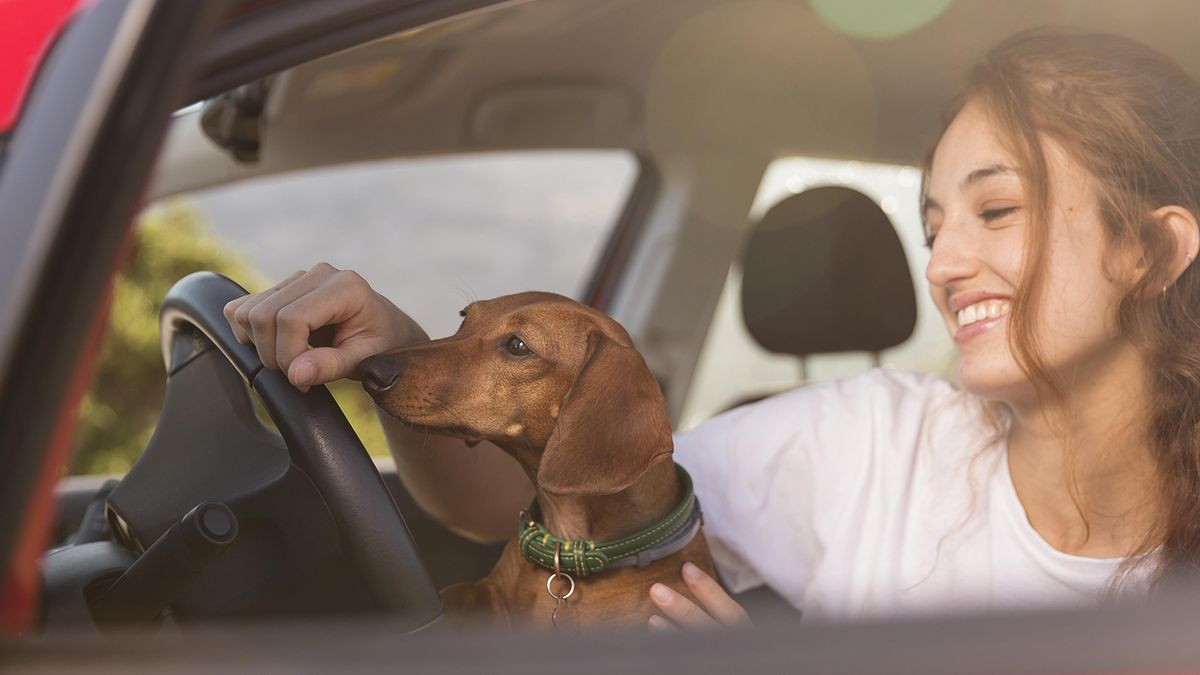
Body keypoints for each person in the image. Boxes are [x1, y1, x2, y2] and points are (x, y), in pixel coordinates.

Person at [223, 30, 1200, 627]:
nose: (942, 264)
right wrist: (391, 346)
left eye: (997, 212)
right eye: (933, 225)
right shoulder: (869, 443)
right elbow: (547, 500)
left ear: (1150, 253)